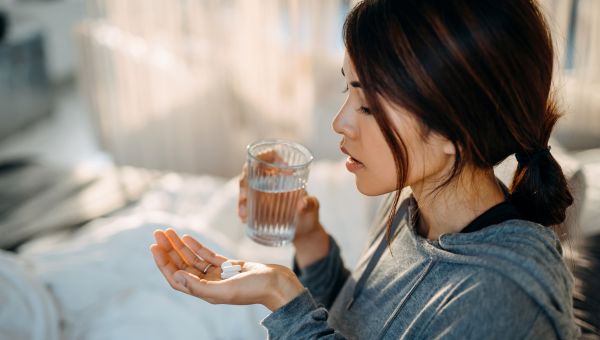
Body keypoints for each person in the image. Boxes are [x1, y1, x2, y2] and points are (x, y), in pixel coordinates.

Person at [149, 0, 582, 338]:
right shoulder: (415, 206)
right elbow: (355, 322)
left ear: (456, 129)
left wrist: (282, 296)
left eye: (368, 105)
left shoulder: (501, 302)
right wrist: (310, 239)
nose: (339, 122)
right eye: (346, 88)